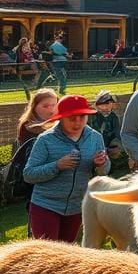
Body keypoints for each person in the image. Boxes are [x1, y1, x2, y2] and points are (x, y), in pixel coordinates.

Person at [22, 95, 109, 242]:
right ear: (60, 118)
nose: (78, 123)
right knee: (47, 256)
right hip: (46, 206)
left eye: (82, 117)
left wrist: (101, 164)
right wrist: (57, 165)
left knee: (65, 257)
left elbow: (104, 172)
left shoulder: (95, 138)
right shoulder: (45, 139)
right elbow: (29, 174)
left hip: (77, 207)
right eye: (72, 118)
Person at [90, 90, 123, 160]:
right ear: (97, 105)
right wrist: (105, 150)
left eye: (110, 104)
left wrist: (115, 146)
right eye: (104, 104)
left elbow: (117, 135)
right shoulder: (91, 117)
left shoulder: (113, 117)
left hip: (110, 149)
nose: (107, 107)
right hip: (94, 151)